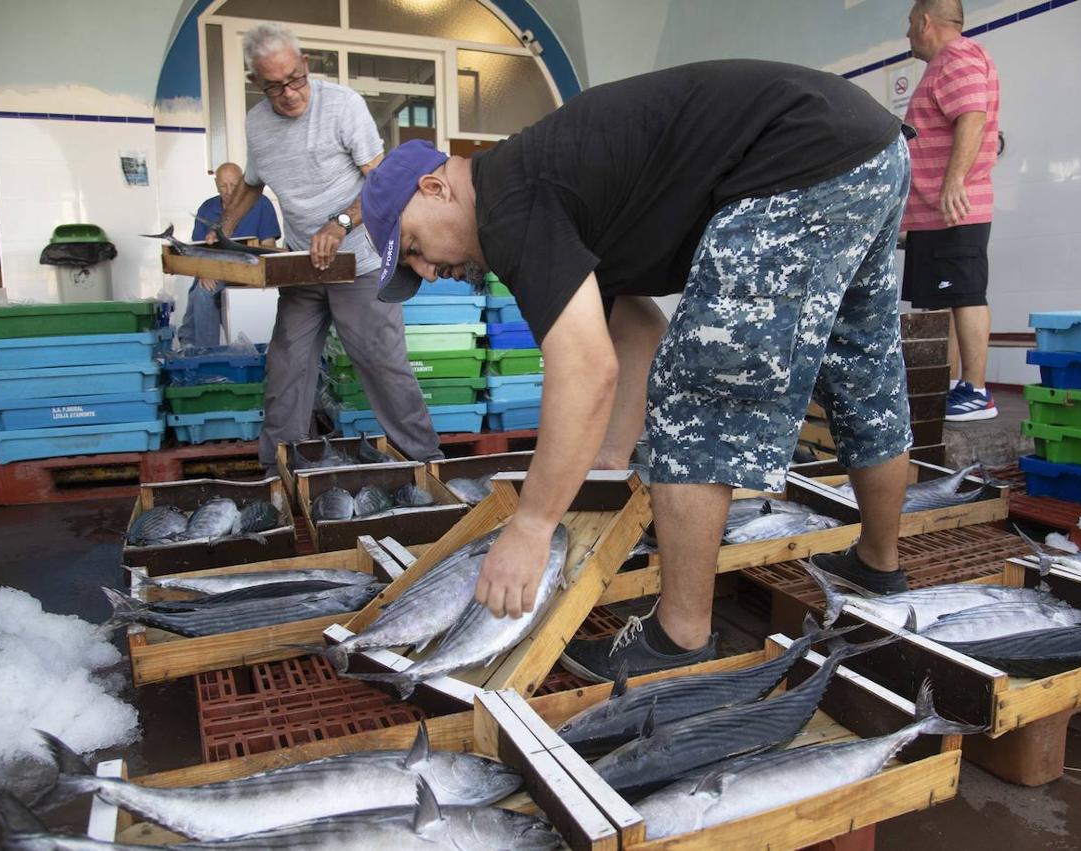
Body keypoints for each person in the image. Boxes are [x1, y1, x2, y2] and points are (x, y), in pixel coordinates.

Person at [362, 60, 916, 683]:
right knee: (860, 370)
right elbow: (634, 333)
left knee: (696, 399)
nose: (430, 270)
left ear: (435, 188)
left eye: (413, 247)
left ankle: (679, 639)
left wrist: (532, 526)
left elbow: (587, 371)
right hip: (870, 149)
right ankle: (876, 563)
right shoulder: (548, 184)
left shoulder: (509, 206)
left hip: (796, 164)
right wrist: (606, 460)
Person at [216, 22, 441, 472]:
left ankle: (426, 462)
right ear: (254, 84)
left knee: (382, 364)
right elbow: (252, 184)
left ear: (305, 65)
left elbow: (381, 179)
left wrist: (340, 223)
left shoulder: (343, 106)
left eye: (295, 79)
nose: (290, 94)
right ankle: (279, 473)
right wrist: (218, 232)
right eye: (275, 87)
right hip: (303, 266)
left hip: (358, 259)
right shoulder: (257, 123)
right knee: (286, 368)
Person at [901, 0, 1000, 421]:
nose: (907, 34)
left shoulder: (957, 56)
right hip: (933, 214)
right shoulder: (942, 65)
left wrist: (954, 180)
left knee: (964, 295)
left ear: (925, 21)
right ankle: (950, 386)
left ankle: (975, 392)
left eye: (909, 25)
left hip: (955, 209)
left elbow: (972, 117)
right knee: (941, 303)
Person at [179, 162, 280, 349]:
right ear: (216, 185)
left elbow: (269, 245)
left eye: (233, 185)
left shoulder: (262, 203)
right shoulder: (207, 208)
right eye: (223, 186)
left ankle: (188, 340)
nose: (228, 190)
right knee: (202, 290)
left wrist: (262, 275)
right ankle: (206, 353)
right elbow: (197, 251)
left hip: (250, 270)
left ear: (242, 183)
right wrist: (203, 272)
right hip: (217, 271)